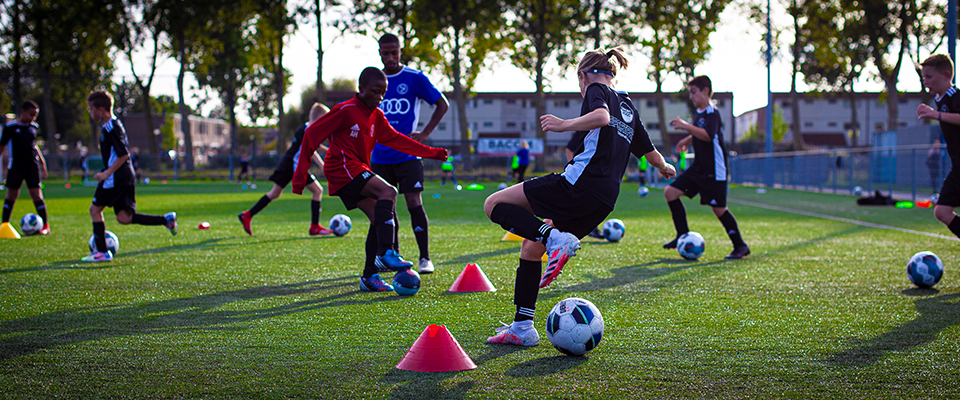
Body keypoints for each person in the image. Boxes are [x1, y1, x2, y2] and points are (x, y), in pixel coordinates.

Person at [483, 47, 675, 346]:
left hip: (578, 185)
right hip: (604, 201)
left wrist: (563, 124)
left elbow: (599, 116)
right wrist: (665, 167)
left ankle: (553, 238)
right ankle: (522, 328)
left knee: (493, 204)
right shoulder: (630, 109)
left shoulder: (597, 89)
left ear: (582, 76)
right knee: (531, 248)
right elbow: (651, 154)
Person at [291, 67, 448, 292]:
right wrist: (299, 180)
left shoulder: (377, 116)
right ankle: (386, 253)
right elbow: (311, 134)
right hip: (341, 169)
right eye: (375, 92)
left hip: (356, 170)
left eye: (383, 93)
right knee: (389, 192)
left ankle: (369, 276)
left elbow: (397, 140)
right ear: (361, 89)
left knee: (378, 217)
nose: (380, 97)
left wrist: (431, 152)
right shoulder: (345, 110)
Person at [370, 33, 450, 274]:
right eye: (386, 53)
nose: (390, 57)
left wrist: (424, 134)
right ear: (380, 53)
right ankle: (390, 256)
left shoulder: (414, 78)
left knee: (414, 201)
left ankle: (425, 258)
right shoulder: (374, 79)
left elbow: (442, 103)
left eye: (394, 52)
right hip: (379, 156)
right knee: (384, 207)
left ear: (400, 51)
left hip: (407, 155)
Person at [82, 90, 177, 262]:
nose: (90, 113)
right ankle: (166, 220)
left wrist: (106, 173)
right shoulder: (111, 125)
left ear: (101, 109)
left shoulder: (111, 126)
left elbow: (124, 154)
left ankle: (102, 252)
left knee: (95, 210)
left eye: (91, 109)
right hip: (123, 176)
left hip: (116, 177)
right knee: (124, 218)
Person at [662, 75, 750, 260]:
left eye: (694, 92)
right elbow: (701, 133)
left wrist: (686, 127)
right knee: (670, 192)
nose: (691, 97)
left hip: (714, 172)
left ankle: (740, 246)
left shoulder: (712, 113)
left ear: (706, 91)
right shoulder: (700, 114)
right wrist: (687, 139)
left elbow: (709, 135)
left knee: (719, 209)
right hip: (698, 170)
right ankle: (682, 234)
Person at [239, 103, 334, 236]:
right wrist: (330, 153)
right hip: (294, 165)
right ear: (319, 118)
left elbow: (312, 149)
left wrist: (323, 164)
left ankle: (247, 215)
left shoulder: (305, 129)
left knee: (274, 194)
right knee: (318, 190)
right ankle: (314, 227)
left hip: (288, 164)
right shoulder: (308, 130)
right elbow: (316, 147)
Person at [917, 54, 960, 239]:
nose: (925, 81)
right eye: (923, 77)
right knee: (941, 211)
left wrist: (936, 115)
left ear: (946, 74)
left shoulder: (955, 96)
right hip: (957, 168)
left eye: (929, 76)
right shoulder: (940, 99)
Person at [0, 100, 50, 235]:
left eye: (35, 116)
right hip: (16, 166)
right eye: (30, 114)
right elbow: (2, 146)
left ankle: (45, 225)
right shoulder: (10, 128)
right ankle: (4, 224)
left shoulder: (34, 127)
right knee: (11, 195)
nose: (33, 118)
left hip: (32, 167)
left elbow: (34, 145)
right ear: (22, 112)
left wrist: (42, 162)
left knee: (36, 194)